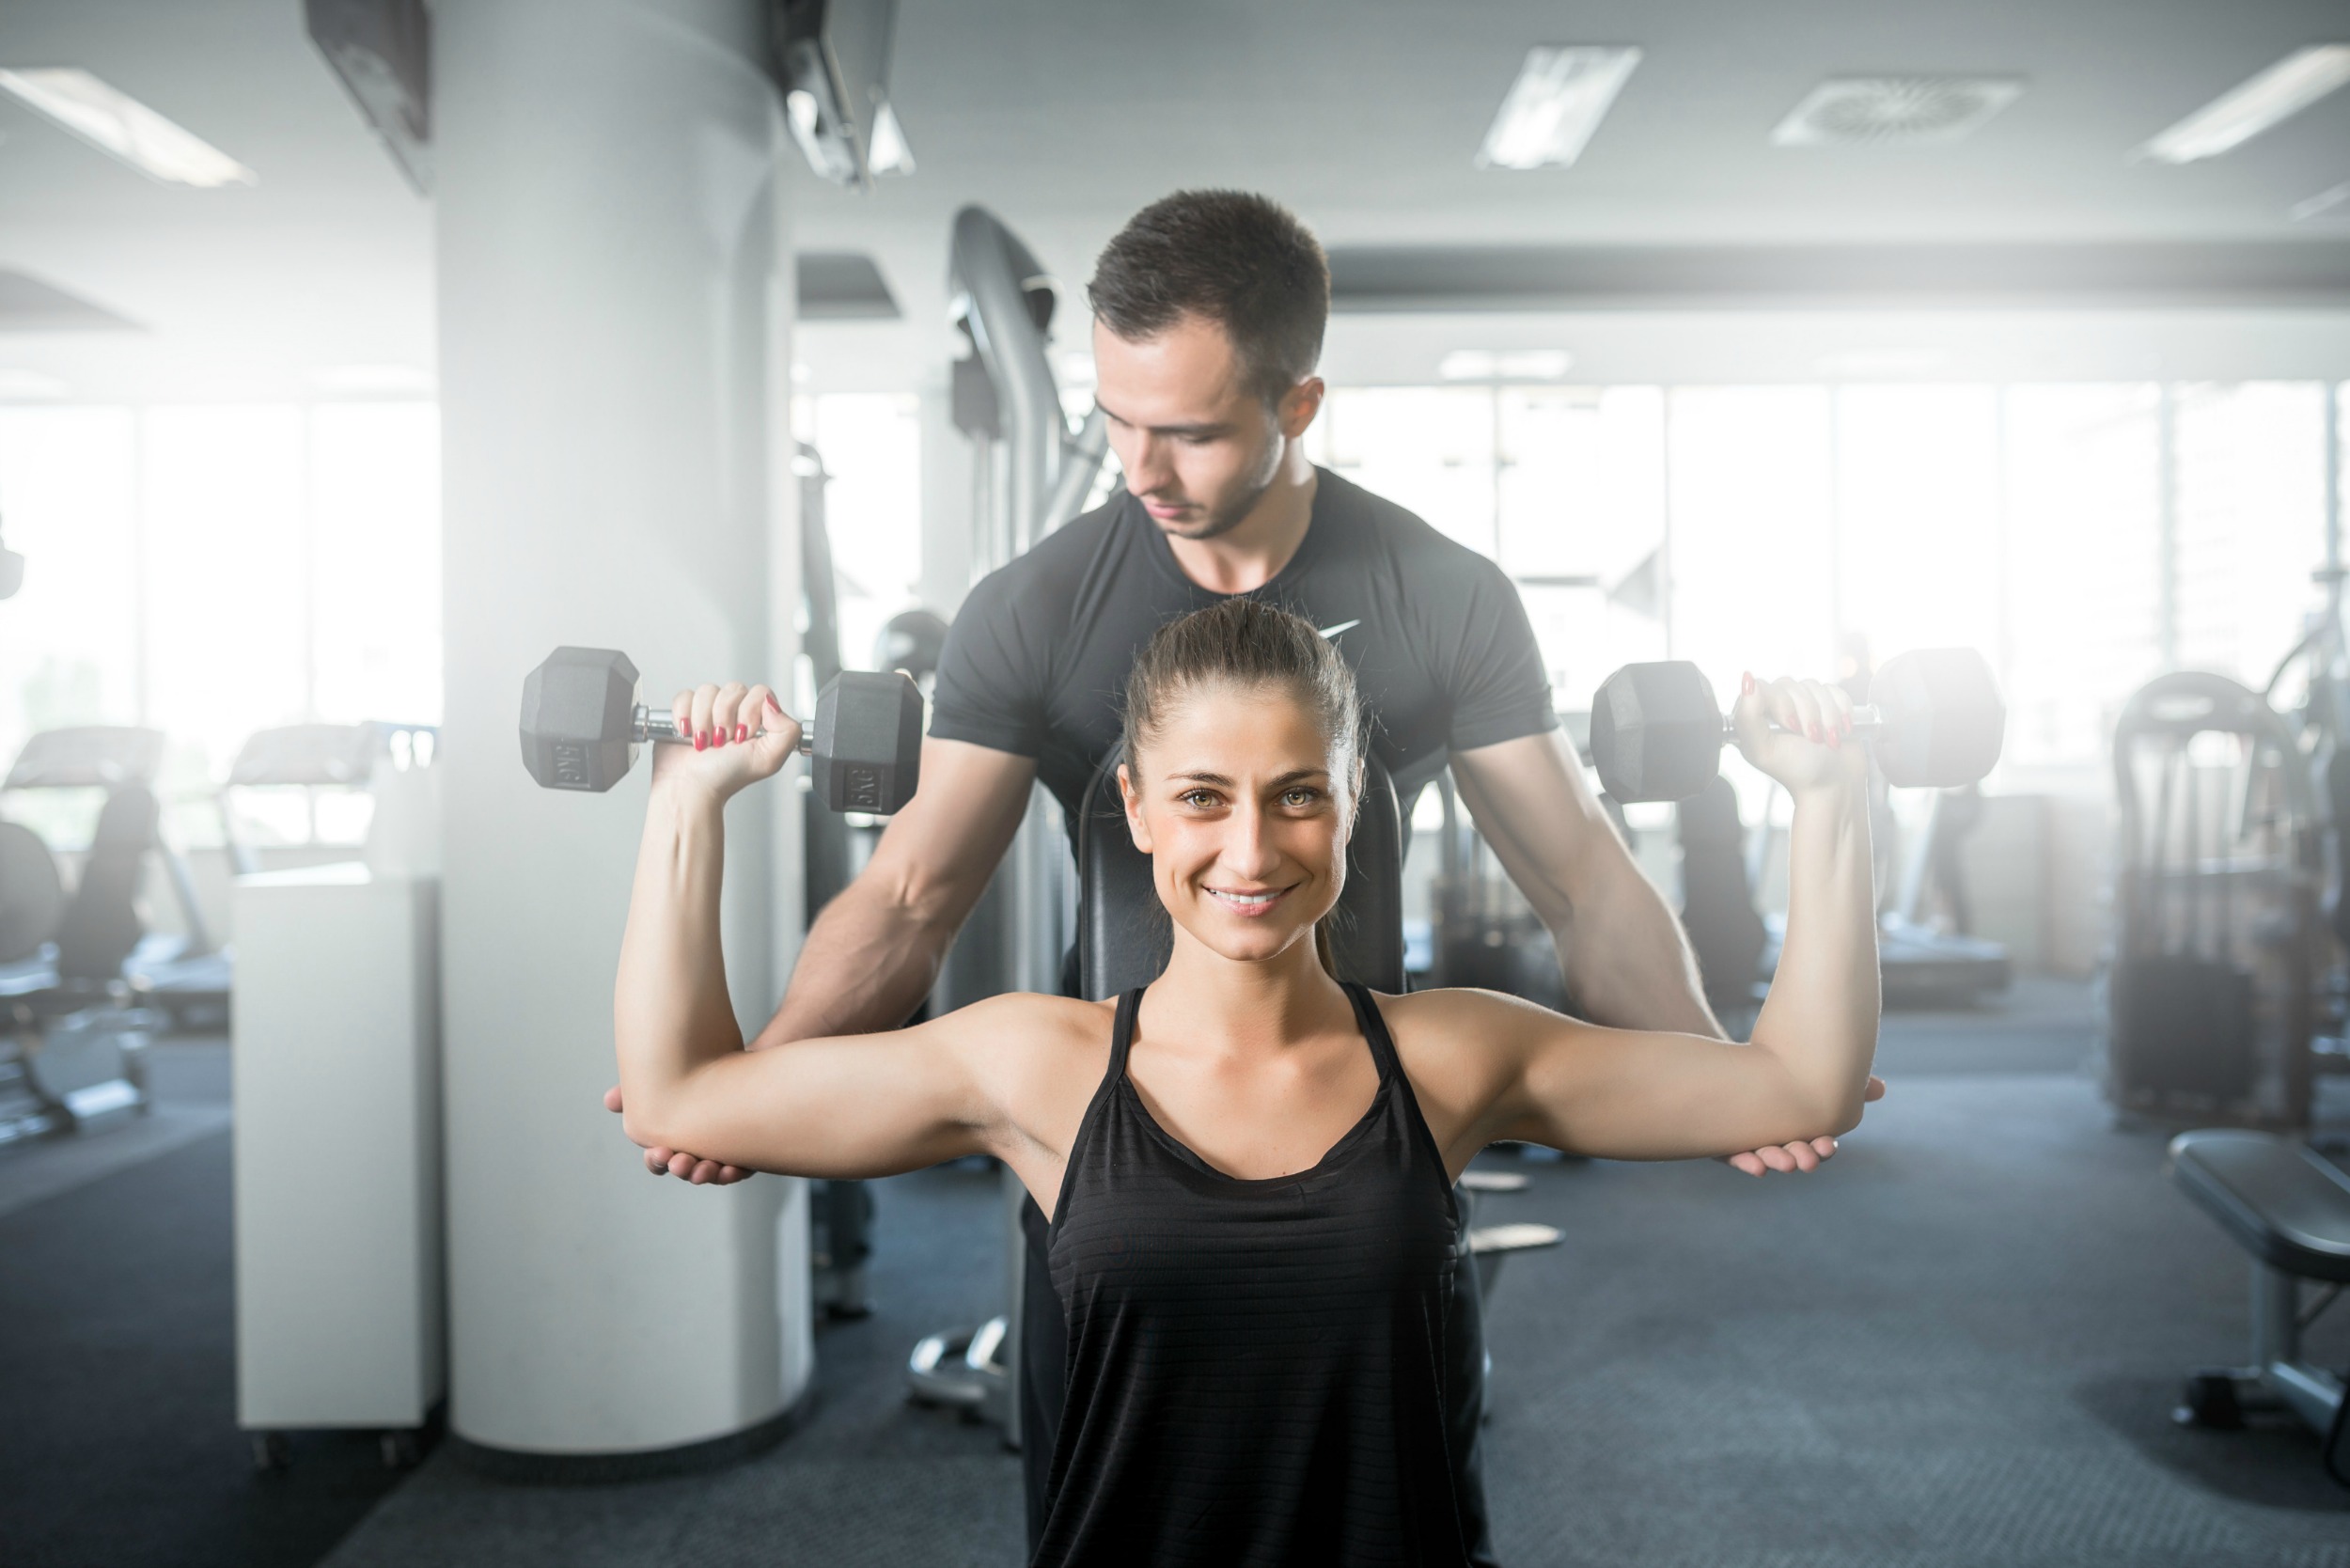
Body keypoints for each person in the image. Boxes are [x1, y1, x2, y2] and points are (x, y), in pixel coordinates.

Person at [607, 189, 1882, 1560]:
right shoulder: (1036, 609)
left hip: (1374, 1116)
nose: (1142, 468)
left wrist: (1702, 1081)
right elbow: (913, 895)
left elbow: (1578, 874)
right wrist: (771, 1088)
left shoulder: (1439, 592)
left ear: (1299, 403)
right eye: (1116, 419)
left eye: (1192, 430)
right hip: (1109, 1141)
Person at [614, 598, 1879, 1567]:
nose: (1251, 849)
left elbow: (1802, 1083)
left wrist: (1829, 797)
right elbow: (679, 1095)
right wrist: (691, 797)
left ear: (1352, 808)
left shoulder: (1450, 1055)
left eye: (1296, 798)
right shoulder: (1035, 1065)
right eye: (1203, 798)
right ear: (1139, 809)